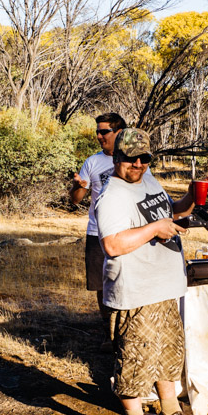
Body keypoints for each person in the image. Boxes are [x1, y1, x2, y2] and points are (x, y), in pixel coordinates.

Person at [95, 128, 208, 415]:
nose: (138, 164)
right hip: (135, 290)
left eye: (144, 158)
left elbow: (169, 213)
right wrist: (154, 229)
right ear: (117, 157)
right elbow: (113, 245)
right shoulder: (112, 195)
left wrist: (189, 198)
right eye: (131, 159)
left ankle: (171, 411)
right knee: (135, 357)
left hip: (163, 286)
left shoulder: (147, 179)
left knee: (167, 352)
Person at [68, 112, 133, 347]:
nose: (98, 136)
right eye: (97, 131)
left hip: (127, 232)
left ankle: (128, 332)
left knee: (127, 280)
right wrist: (77, 187)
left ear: (118, 133)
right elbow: (76, 200)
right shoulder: (92, 162)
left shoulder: (132, 159)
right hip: (97, 232)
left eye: (104, 131)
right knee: (101, 285)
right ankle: (109, 334)